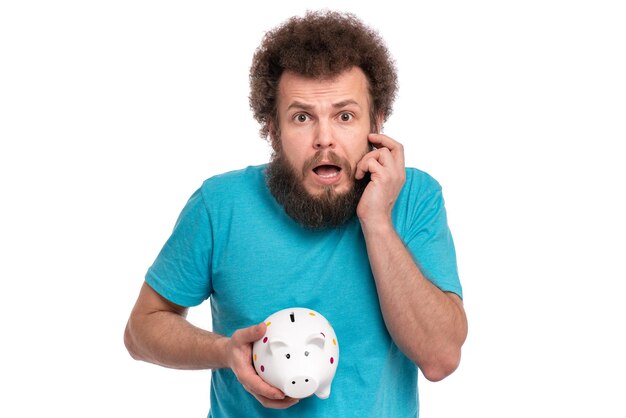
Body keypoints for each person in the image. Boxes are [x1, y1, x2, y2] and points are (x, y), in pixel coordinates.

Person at [124, 10, 468, 417]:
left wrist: (377, 221)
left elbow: (440, 357)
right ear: (272, 127)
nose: (325, 139)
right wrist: (226, 352)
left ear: (375, 123)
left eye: (345, 116)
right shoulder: (220, 204)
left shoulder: (414, 198)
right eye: (302, 117)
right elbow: (141, 329)